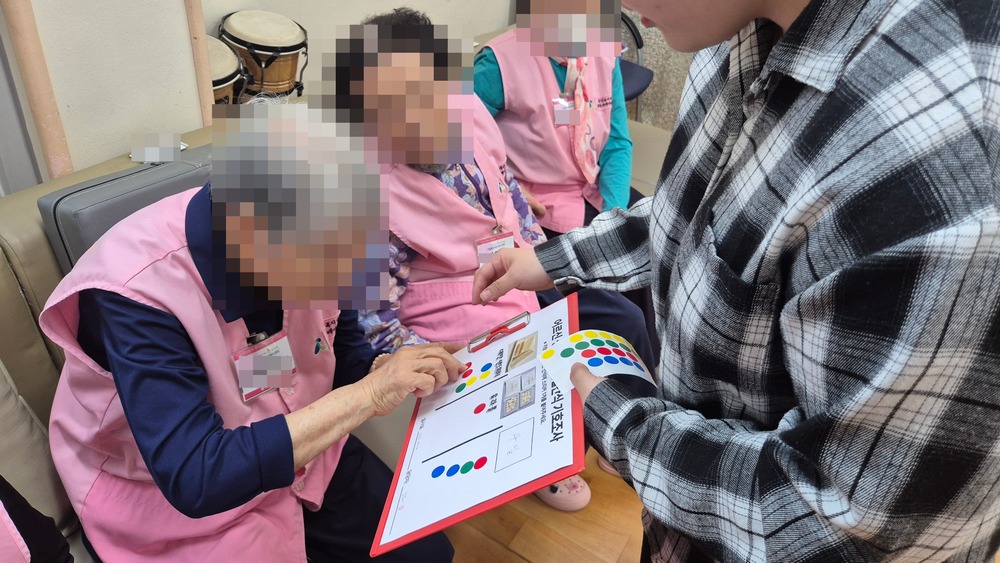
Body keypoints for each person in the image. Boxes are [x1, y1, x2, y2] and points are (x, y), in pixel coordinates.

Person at [471, 0, 1000, 559]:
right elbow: (706, 210)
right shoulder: (728, 31)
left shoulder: (953, 166)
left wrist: (626, 426)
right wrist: (555, 258)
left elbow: (843, 521)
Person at [38, 101, 460, 562]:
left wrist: (380, 369)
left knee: (428, 555)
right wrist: (367, 395)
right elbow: (196, 476)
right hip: (172, 501)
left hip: (302, 445)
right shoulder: (135, 292)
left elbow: (339, 348)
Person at [334, 8, 654, 513]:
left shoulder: (470, 115)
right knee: (528, 364)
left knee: (623, 316)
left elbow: (508, 191)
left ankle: (629, 427)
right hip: (455, 308)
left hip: (514, 270)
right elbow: (377, 326)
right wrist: (421, 359)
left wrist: (540, 255)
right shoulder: (367, 201)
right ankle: (544, 457)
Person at [475, 0, 660, 358]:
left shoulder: (602, 49)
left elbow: (617, 141)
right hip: (542, 209)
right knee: (620, 313)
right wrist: (511, 188)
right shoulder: (498, 64)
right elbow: (461, 144)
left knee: (654, 263)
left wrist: (613, 215)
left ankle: (654, 364)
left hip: (597, 189)